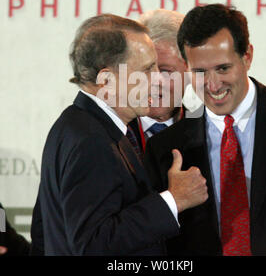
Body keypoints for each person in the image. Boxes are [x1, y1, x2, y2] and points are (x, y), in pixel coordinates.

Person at [30, 14, 208, 256]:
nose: (157, 79)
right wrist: (173, 200)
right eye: (146, 69)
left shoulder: (78, 125)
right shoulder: (90, 141)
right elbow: (92, 244)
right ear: (106, 79)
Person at [144, 4, 266, 256]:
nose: (213, 84)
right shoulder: (165, 148)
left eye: (223, 68)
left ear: (247, 56)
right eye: (200, 72)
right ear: (186, 66)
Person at [128, 9, 187, 153]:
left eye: (165, 71)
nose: (154, 81)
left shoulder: (208, 129)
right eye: (145, 70)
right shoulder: (109, 132)